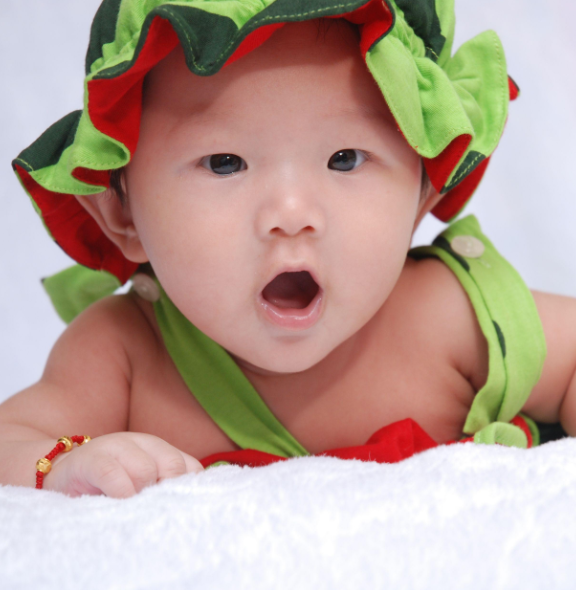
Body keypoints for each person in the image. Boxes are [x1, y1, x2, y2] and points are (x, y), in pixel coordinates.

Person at [1, 0, 574, 498]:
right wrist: (64, 464)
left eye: (344, 159)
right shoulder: (125, 352)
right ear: (121, 213)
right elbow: (11, 440)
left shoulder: (448, 317)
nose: (292, 214)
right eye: (224, 163)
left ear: (425, 187)